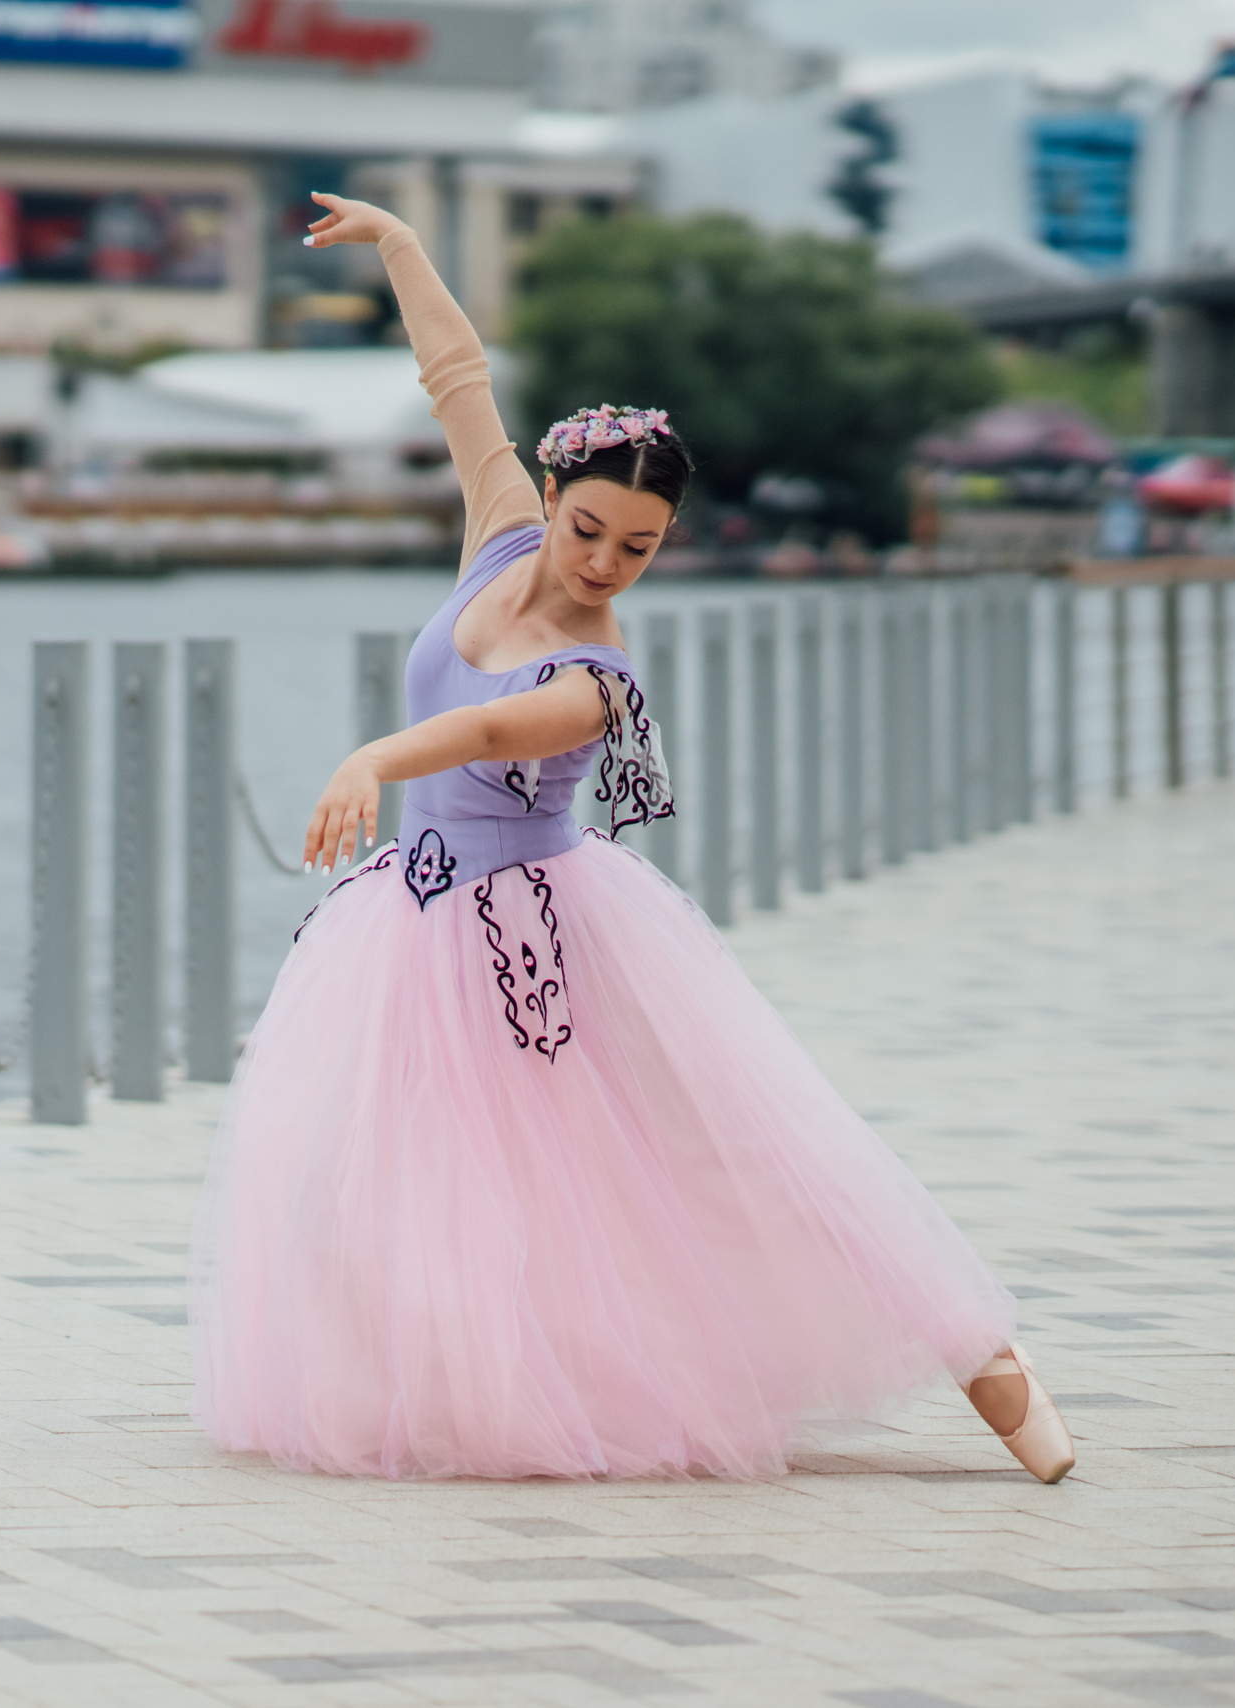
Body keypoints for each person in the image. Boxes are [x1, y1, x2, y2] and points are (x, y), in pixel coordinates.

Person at [186, 193, 1075, 1485]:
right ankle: (459, 1386)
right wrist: (401, 249)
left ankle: (987, 1365)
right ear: (553, 497)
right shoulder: (499, 534)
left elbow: (493, 737)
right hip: (410, 921)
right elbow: (458, 381)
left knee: (731, 1155)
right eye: (590, 528)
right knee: (382, 1169)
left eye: (641, 548)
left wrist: (374, 756)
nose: (606, 561)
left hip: (545, 936)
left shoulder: (598, 672)